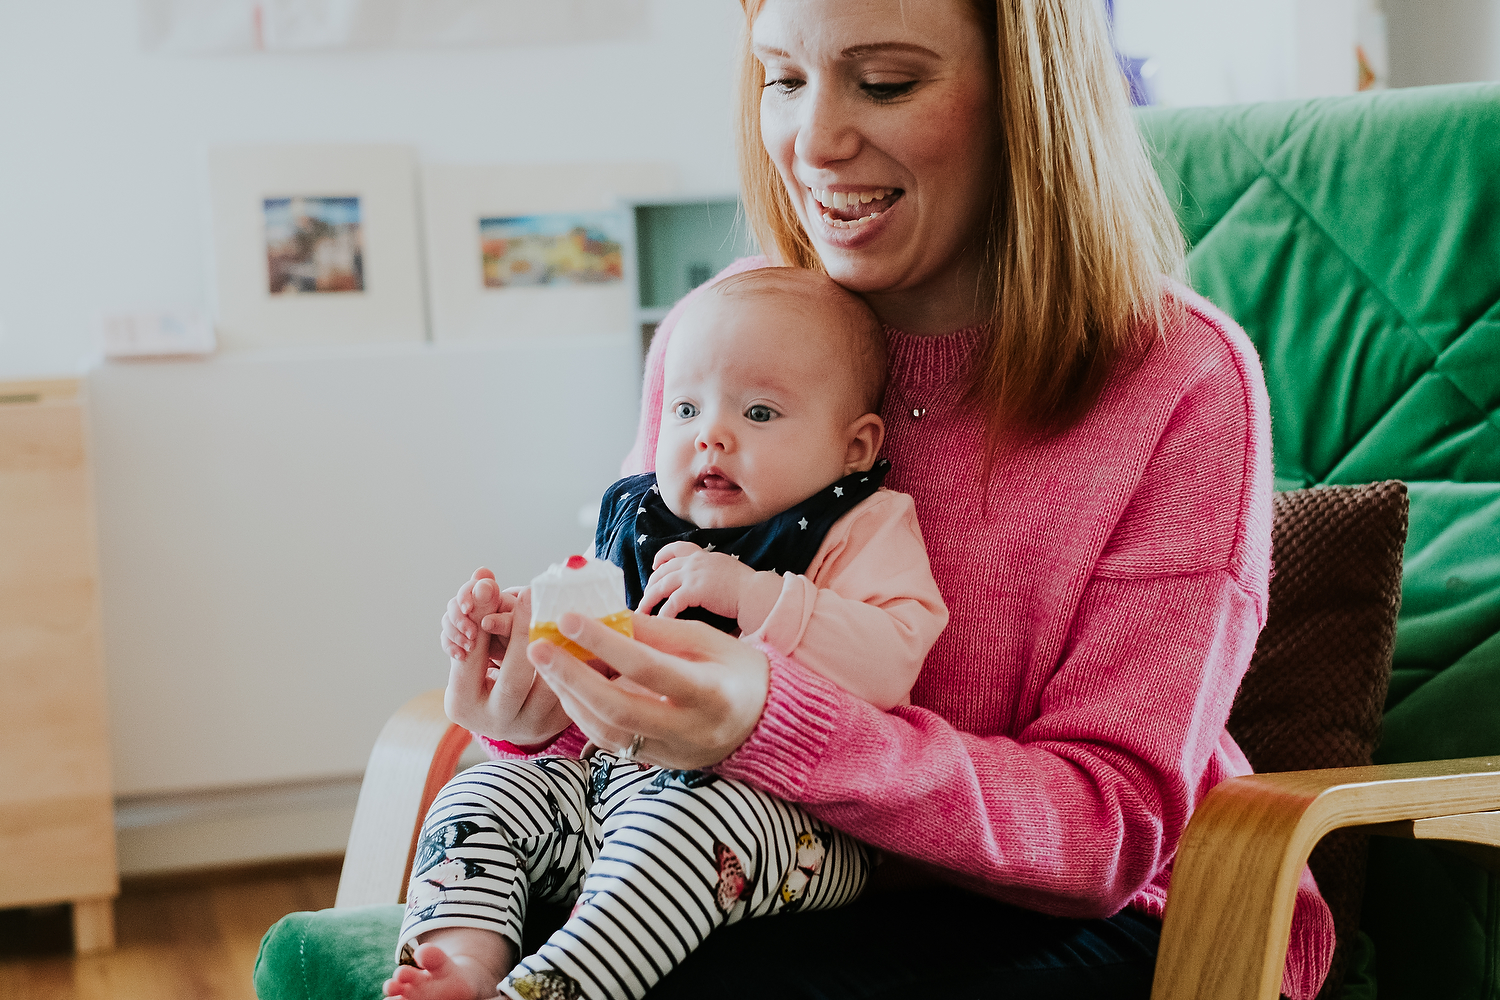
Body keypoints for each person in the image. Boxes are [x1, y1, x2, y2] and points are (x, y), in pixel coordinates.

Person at [439, 1, 1338, 998]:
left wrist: (771, 723)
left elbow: (1105, 834)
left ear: (1025, 102)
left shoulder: (1181, 380)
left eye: (885, 83)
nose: (814, 142)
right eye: (782, 77)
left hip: (1125, 919)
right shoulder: (729, 335)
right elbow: (635, 670)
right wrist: (539, 707)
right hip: (756, 867)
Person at [387, 268, 948, 1000]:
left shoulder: (860, 522)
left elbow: (892, 655)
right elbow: (592, 640)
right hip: (606, 794)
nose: (709, 435)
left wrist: (754, 595)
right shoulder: (642, 514)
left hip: (783, 826)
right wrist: (521, 633)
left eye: (759, 412)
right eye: (685, 409)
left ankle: (554, 990)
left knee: (686, 821)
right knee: (486, 790)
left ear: (855, 446)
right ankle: (462, 963)